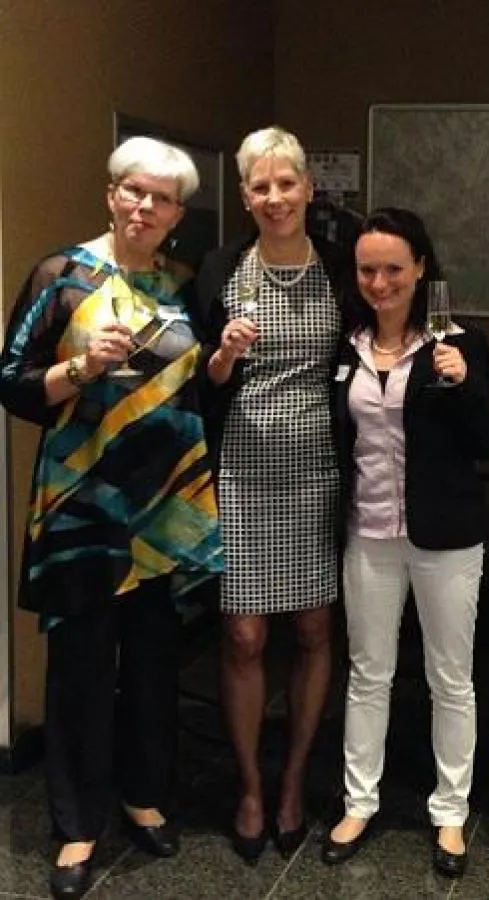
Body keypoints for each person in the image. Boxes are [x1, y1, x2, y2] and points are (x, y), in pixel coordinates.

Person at [0, 137, 222, 900]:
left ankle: (144, 795)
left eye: (161, 199)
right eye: (134, 191)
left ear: (177, 215)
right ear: (111, 194)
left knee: (155, 663)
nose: (145, 207)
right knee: (82, 670)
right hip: (84, 504)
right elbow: (12, 381)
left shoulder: (184, 285)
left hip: (163, 507)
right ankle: (76, 825)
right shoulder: (60, 276)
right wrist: (81, 367)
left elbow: (203, 385)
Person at [321, 208, 489, 877]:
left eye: (393, 268)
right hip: (367, 533)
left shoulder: (458, 342)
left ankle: (450, 812)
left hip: (445, 537)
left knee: (450, 678)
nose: (380, 282)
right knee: (369, 673)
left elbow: (486, 442)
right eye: (368, 269)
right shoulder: (346, 345)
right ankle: (358, 803)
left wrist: (463, 383)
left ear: (421, 267)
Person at [195, 126, 351, 863]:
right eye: (261, 186)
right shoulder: (221, 268)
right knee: (244, 636)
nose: (276, 197)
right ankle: (251, 787)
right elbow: (201, 380)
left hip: (318, 471)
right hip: (242, 470)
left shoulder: (342, 269)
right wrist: (223, 355)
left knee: (315, 630)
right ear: (245, 195)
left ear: (308, 189)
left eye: (287, 183)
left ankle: (293, 781)